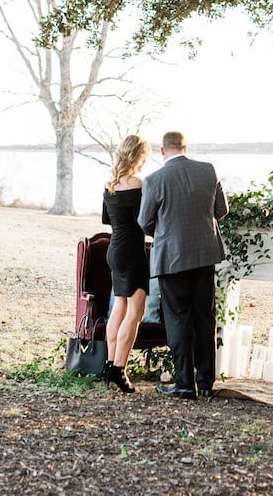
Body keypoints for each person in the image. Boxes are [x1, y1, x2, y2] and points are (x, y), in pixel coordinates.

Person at [138, 130, 228, 399]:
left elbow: (145, 222)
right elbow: (221, 210)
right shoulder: (209, 170)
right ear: (185, 147)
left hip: (171, 258)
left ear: (163, 151)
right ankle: (207, 385)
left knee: (177, 319)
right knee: (204, 318)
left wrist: (167, 233)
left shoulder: (154, 180)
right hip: (203, 255)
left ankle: (185, 384)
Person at [101, 133, 150, 394]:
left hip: (114, 249)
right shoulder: (138, 184)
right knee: (136, 312)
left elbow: (107, 219)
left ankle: (110, 364)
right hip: (132, 251)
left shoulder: (110, 183)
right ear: (137, 156)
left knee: (119, 307)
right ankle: (120, 369)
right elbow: (145, 221)